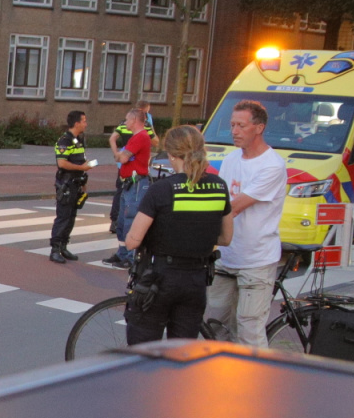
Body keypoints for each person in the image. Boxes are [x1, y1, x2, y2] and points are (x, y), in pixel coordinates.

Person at [121, 125, 233, 344]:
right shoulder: (219, 187)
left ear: (171, 155)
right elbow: (226, 238)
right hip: (196, 280)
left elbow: (133, 241)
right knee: (182, 352)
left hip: (160, 278)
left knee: (144, 350)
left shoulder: (162, 189)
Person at [205, 99, 288, 347]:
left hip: (256, 260)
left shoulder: (272, 165)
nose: (234, 131)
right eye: (232, 125)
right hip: (227, 257)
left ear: (259, 127)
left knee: (249, 330)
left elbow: (234, 206)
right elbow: (219, 198)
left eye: (241, 125)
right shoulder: (230, 160)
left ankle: (257, 383)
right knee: (215, 326)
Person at [103, 107, 154, 268]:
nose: (125, 123)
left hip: (136, 183)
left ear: (134, 120)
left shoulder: (140, 137)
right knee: (122, 220)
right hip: (129, 183)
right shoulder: (135, 137)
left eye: (126, 120)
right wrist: (120, 155)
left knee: (130, 219)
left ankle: (131, 257)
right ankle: (122, 253)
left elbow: (123, 159)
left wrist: (118, 154)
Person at [48, 110, 90, 263]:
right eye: (84, 121)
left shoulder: (79, 139)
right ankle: (55, 249)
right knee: (63, 217)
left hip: (77, 183)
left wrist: (84, 183)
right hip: (66, 184)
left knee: (71, 217)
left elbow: (81, 162)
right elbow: (62, 163)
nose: (86, 123)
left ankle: (64, 246)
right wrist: (82, 169)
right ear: (76, 123)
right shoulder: (64, 141)